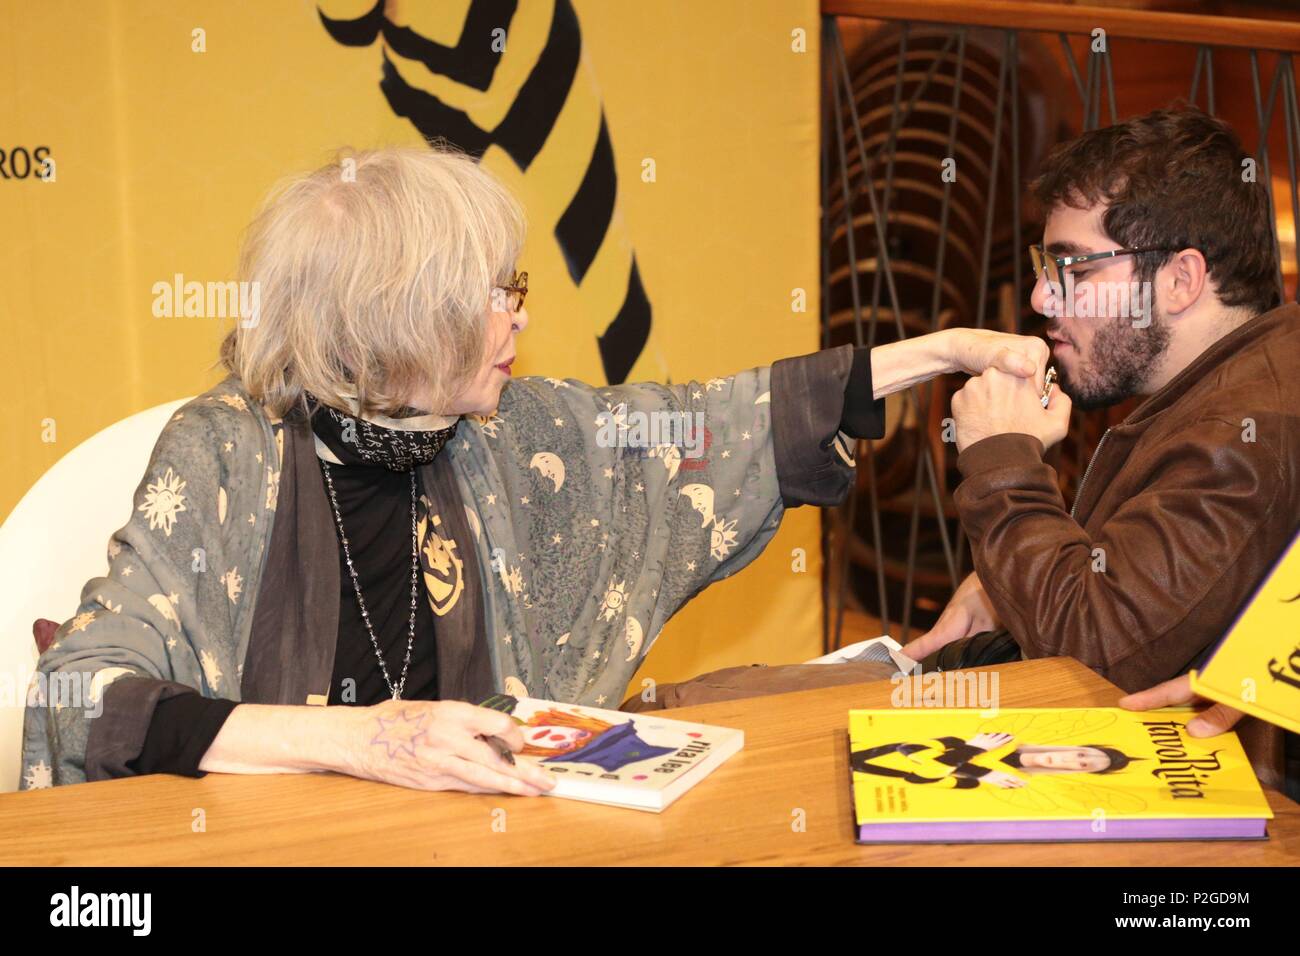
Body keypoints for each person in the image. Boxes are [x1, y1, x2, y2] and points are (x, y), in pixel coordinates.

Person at [20, 145, 1049, 793]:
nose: (520, 315)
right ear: (396, 323)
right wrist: (359, 742)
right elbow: (78, 694)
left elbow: (711, 422)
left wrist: (945, 351)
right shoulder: (224, 456)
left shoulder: (514, 429)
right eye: (492, 294)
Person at [908, 107, 1300, 704]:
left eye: (1072, 267)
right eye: (1045, 267)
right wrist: (1006, 585)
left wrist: (1001, 464)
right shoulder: (1236, 382)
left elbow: (1091, 660)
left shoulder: (1238, 443)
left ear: (1180, 279)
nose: (1043, 295)